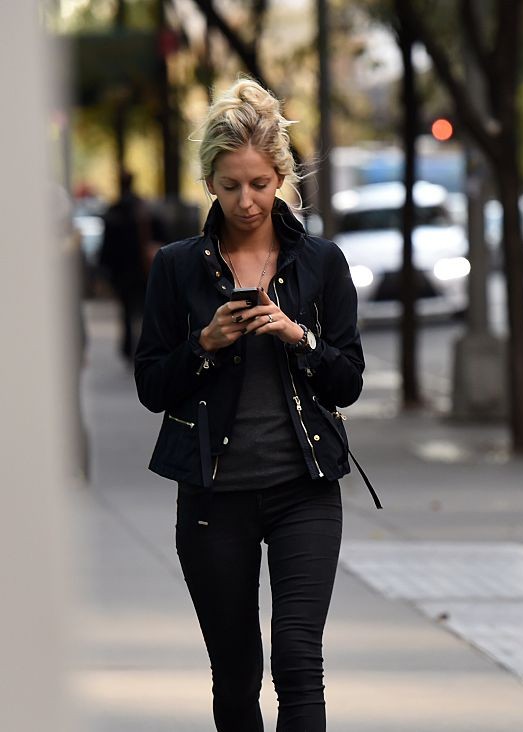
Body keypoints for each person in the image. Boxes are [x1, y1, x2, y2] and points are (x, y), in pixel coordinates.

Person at [134, 78, 379, 732]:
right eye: (231, 185)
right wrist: (205, 343)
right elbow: (152, 384)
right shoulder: (177, 268)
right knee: (237, 678)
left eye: (261, 184)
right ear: (209, 183)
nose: (247, 200)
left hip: (305, 489)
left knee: (299, 661)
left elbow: (348, 380)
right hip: (215, 499)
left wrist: (300, 337)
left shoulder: (322, 265)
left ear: (282, 179)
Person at [100, 170, 164, 361]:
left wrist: (106, 272)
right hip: (145, 269)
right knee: (147, 310)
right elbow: (161, 237)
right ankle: (147, 346)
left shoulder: (114, 211)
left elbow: (107, 247)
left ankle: (129, 348)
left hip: (123, 270)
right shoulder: (144, 208)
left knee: (127, 311)